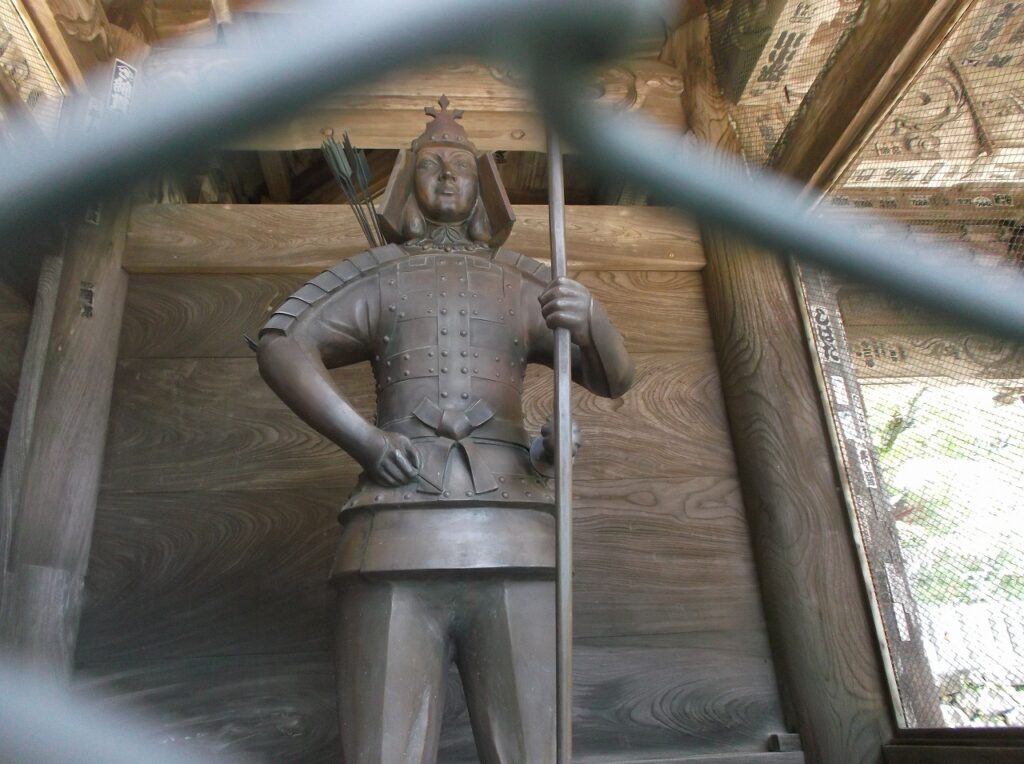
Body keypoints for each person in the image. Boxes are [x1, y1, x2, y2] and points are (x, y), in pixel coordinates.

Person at [256, 96, 633, 763]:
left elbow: (614, 378)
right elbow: (281, 343)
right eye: (431, 165)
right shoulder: (381, 277)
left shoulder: (524, 283)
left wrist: (592, 317)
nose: (448, 176)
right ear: (408, 182)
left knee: (532, 750)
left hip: (516, 531)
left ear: (484, 185)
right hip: (392, 532)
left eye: (460, 165)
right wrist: (364, 440)